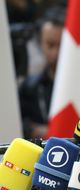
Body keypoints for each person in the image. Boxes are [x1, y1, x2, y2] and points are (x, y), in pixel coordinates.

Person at [19, 6, 64, 139]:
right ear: (40, 44)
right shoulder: (29, 87)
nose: (56, 53)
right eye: (50, 45)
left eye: (62, 45)